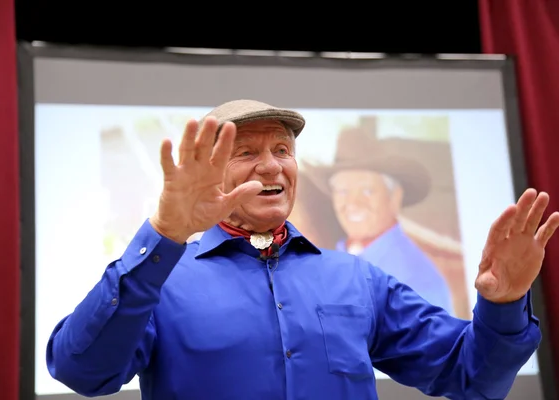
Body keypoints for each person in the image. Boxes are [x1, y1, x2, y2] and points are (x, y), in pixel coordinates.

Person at [46, 99, 559, 400]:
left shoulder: (358, 279)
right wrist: (162, 233)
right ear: (210, 173)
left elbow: (473, 376)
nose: (272, 167)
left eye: (283, 151)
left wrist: (503, 302)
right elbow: (81, 371)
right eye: (246, 153)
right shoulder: (160, 281)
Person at [303, 127, 454, 314]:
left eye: (367, 190)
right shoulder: (328, 263)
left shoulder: (418, 283)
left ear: (395, 197)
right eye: (343, 191)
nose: (353, 203)